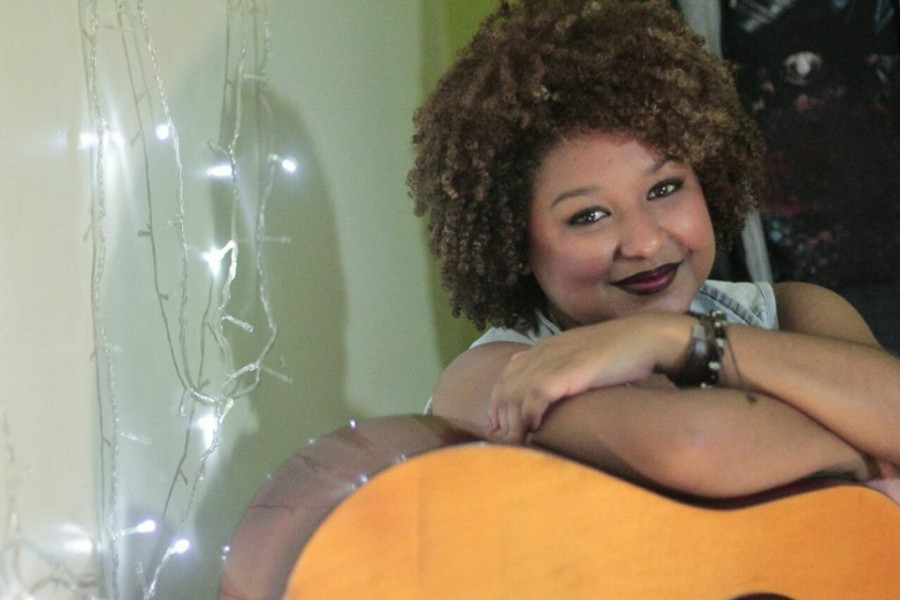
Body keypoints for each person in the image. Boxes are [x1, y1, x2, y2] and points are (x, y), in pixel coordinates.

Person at [408, 0, 900, 501]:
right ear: (514, 241)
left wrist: (671, 340)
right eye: (589, 216)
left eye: (665, 189)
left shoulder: (793, 311)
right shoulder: (495, 376)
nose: (644, 241)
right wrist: (864, 440)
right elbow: (692, 446)